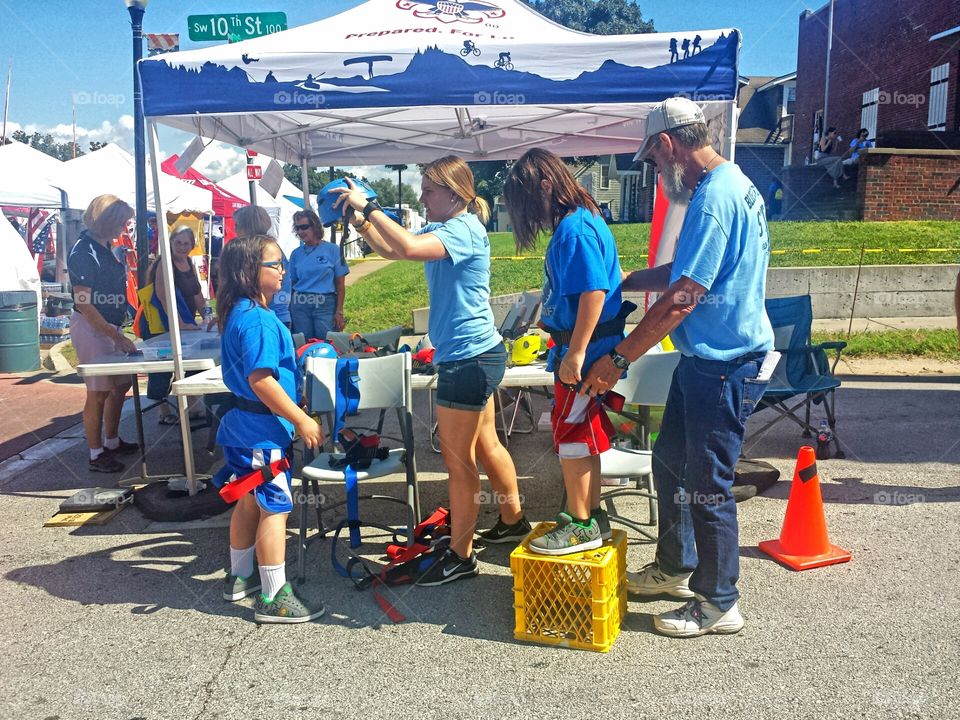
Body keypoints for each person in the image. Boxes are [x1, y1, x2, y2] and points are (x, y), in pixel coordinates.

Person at [581, 97, 774, 638]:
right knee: (669, 461)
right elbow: (683, 272)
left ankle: (718, 602)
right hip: (706, 359)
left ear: (667, 145)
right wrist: (626, 281)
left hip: (724, 363)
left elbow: (684, 296)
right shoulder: (730, 185)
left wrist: (618, 358)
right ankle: (675, 566)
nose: (653, 171)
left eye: (651, 160)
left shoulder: (713, 199)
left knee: (707, 483)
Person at [330, 155, 529, 586]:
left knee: (459, 463)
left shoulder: (462, 229)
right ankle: (513, 521)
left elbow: (405, 247)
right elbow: (393, 249)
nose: (421, 198)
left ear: (454, 193)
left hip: (468, 358)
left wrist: (370, 206)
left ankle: (461, 556)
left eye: (428, 191)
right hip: (476, 354)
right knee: (487, 445)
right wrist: (362, 222)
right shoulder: (446, 228)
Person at [503, 147, 629, 556]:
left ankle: (580, 524)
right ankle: (591, 515)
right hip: (587, 346)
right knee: (584, 433)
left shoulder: (574, 229)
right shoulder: (584, 219)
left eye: (526, 204)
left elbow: (593, 292)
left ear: (545, 186)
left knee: (571, 435)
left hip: (585, 353)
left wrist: (574, 354)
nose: (528, 216)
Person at [214, 233, 325, 623]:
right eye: (275, 263)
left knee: (249, 500)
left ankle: (240, 576)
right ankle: (274, 596)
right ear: (249, 271)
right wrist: (300, 418)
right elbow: (261, 380)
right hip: (262, 432)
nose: (283, 270)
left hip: (241, 428)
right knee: (276, 507)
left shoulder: (239, 312)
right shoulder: (259, 320)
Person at [67, 195, 139, 473]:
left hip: (109, 325)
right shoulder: (84, 252)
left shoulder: (105, 246)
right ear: (107, 221)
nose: (125, 227)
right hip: (92, 327)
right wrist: (115, 335)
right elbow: (84, 304)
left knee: (121, 384)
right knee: (97, 392)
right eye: (122, 222)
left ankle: (111, 440)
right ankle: (96, 453)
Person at [145, 225, 206, 425]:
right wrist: (179, 324)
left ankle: (192, 405)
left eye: (186, 243)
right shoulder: (164, 264)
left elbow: (197, 293)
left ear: (192, 245)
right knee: (162, 368)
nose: (182, 247)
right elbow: (164, 297)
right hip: (161, 324)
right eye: (178, 242)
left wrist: (206, 317)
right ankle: (163, 410)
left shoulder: (189, 262)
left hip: (185, 321)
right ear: (170, 243)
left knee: (193, 360)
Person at [288, 209, 347, 340]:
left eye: (304, 227)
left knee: (327, 342)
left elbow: (340, 285)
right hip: (300, 305)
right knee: (303, 343)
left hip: (325, 304)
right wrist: (288, 310)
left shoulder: (333, 250)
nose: (300, 232)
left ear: (315, 226)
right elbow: (292, 284)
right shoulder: (295, 254)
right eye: (297, 228)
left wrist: (339, 312)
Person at [233, 206, 292, 330]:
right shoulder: (272, 247)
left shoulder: (258, 250)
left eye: (237, 224)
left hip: (265, 316)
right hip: (277, 314)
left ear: (246, 225)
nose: (234, 229)